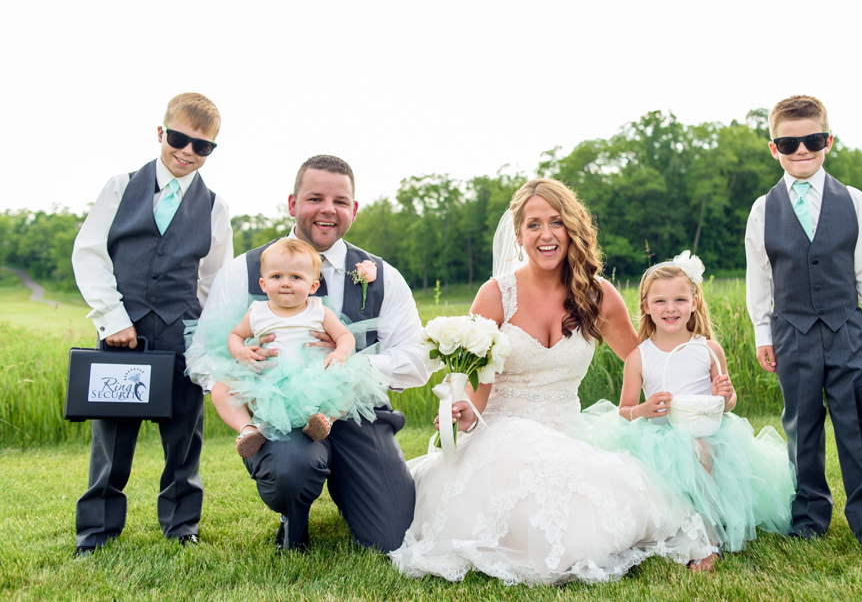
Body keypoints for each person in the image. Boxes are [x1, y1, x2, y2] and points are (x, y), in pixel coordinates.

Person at [389, 178, 717, 586]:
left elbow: (643, 360)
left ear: (572, 229)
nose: (546, 234)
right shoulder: (496, 295)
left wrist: (691, 397)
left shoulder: (598, 295)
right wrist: (463, 415)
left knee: (602, 497)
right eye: (534, 224)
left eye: (556, 222)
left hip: (570, 428)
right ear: (520, 235)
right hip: (502, 433)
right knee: (543, 495)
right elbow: (480, 390)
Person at [186, 154, 427, 553]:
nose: (328, 210)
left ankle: (356, 491)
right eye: (315, 198)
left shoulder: (381, 275)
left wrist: (348, 364)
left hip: (353, 411)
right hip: (277, 410)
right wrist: (244, 364)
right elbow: (200, 354)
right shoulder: (245, 270)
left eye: (340, 201)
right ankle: (293, 517)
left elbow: (416, 360)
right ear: (293, 204)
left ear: (355, 209)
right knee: (292, 470)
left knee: (392, 537)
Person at [71, 93, 233, 555]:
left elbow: (214, 279)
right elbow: (89, 253)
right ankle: (97, 532)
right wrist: (111, 318)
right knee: (112, 437)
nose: (188, 152)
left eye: (202, 147)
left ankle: (182, 526)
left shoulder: (215, 206)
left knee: (184, 435)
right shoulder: (121, 186)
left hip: (182, 332)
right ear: (161, 133)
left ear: (211, 151)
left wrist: (200, 334)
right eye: (180, 139)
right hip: (121, 330)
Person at [744, 94, 862, 554]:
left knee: (857, 430)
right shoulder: (762, 209)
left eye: (812, 140)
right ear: (774, 148)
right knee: (802, 429)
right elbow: (761, 277)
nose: (801, 151)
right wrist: (762, 334)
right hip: (792, 334)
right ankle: (809, 519)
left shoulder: (854, 201)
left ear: (827, 141)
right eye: (789, 143)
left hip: (847, 331)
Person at [606, 253, 794, 553]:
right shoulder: (639, 356)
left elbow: (728, 402)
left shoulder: (708, 349)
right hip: (659, 437)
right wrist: (644, 409)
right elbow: (625, 410)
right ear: (645, 306)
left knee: (701, 449)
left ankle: (708, 538)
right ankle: (676, 526)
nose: (670, 309)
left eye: (680, 300)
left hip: (707, 432)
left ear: (694, 302)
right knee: (683, 455)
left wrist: (725, 395)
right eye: (660, 302)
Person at [191, 237, 390, 458]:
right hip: (266, 382)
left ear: (313, 286)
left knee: (350, 379)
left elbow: (344, 335)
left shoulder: (318, 310)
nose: (285, 283)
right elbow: (235, 335)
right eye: (276, 277)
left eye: (296, 277)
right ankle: (248, 430)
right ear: (263, 284)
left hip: (312, 380)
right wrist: (240, 351)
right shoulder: (257, 312)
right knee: (221, 388)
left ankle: (324, 419)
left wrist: (340, 352)